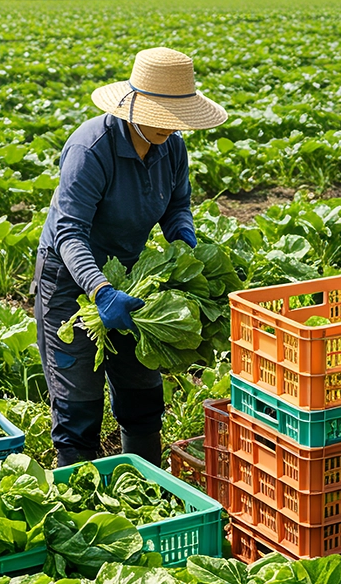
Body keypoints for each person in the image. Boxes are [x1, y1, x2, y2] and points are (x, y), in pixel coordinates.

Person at [34, 47, 228, 466]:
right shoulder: (92, 149)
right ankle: (82, 503)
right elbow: (69, 231)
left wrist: (184, 241)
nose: (167, 126)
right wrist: (100, 291)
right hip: (69, 277)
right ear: (133, 104)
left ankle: (141, 487)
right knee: (78, 404)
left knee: (142, 395)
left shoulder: (172, 149)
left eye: (175, 118)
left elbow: (177, 207)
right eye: (159, 114)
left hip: (128, 274)